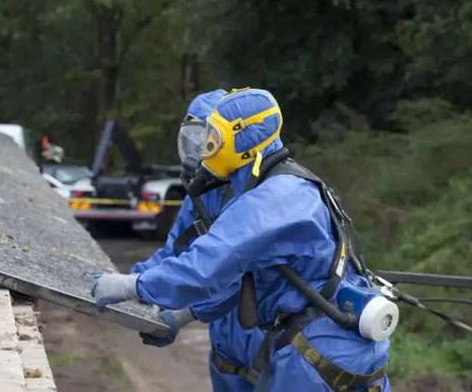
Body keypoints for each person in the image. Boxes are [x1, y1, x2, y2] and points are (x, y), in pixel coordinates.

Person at [91, 88, 391, 392]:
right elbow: (191, 257)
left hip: (314, 352)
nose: (205, 151)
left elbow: (207, 267)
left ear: (241, 142)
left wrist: (132, 286)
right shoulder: (283, 185)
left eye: (213, 140)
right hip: (343, 343)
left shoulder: (269, 200)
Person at [127, 89, 266, 392]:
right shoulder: (203, 193)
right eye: (190, 140)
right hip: (226, 347)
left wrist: (182, 315)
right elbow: (176, 250)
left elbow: (238, 276)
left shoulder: (261, 195)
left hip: (268, 339)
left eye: (205, 142)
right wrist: (132, 281)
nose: (196, 154)